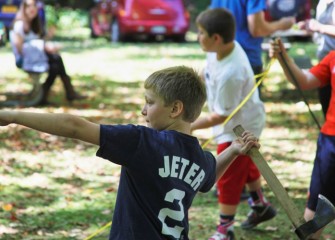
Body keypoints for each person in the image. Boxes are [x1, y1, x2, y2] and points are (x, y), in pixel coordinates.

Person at [0, 65, 261, 240]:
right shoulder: (199, 158)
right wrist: (235, 151)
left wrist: (12, 115)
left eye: (149, 102)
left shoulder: (142, 142)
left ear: (175, 109)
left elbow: (74, 127)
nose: (143, 111)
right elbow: (207, 179)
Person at [191, 8, 276, 240]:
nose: (198, 37)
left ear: (216, 38)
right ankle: (260, 205)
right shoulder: (219, 50)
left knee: (227, 174)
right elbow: (206, 73)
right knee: (245, 163)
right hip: (234, 120)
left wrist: (188, 126)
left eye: (201, 33)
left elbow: (220, 117)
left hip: (240, 126)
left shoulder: (232, 72)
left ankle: (224, 230)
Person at [269, 38, 335, 240]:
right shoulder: (332, 57)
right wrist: (283, 57)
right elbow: (304, 80)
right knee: (313, 220)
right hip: (330, 142)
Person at [209, 0, 295, 99]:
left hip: (220, 57)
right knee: (245, 111)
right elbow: (257, 29)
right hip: (246, 60)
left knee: (223, 108)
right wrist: (282, 24)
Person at [10, 0, 86, 105]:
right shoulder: (19, 25)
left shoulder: (35, 24)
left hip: (36, 56)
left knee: (55, 65)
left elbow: (39, 42)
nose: (32, 9)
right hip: (25, 59)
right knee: (56, 59)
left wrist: (48, 37)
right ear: (24, 9)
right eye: (29, 6)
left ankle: (44, 96)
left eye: (34, 6)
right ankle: (69, 91)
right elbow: (20, 49)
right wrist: (43, 46)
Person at [298, 0, 335, 117]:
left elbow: (321, 28)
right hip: (324, 62)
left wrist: (320, 27)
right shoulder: (322, 3)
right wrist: (309, 29)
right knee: (326, 107)